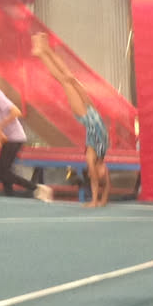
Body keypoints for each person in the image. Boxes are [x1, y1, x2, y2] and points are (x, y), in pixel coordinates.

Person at [32, 34, 111, 207]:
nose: (106, 172)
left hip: (84, 115)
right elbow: (106, 187)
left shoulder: (91, 157)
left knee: (64, 81)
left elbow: (97, 183)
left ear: (93, 174)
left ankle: (42, 54)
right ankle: (46, 50)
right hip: (93, 111)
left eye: (101, 174)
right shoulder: (102, 158)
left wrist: (94, 201)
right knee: (69, 76)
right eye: (105, 173)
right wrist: (103, 200)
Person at [0, 62, 50, 201]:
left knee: (3, 171)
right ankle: (9, 198)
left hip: (15, 137)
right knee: (3, 171)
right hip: (7, 138)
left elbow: (16, 112)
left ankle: (37, 188)